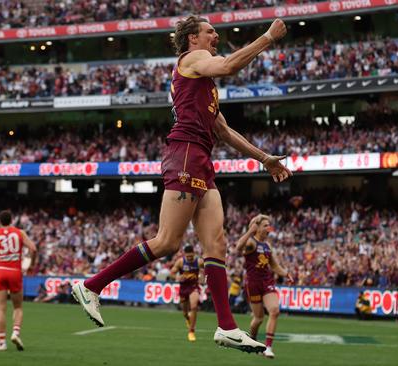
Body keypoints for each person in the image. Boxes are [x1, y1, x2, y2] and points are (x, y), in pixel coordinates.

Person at [71, 15, 290, 353]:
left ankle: (227, 327)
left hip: (202, 158)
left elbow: (224, 131)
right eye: (209, 31)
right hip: (185, 152)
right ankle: (92, 286)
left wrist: (265, 159)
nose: (216, 35)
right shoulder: (194, 60)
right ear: (192, 38)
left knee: (216, 244)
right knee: (167, 242)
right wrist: (267, 38)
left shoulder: (203, 83)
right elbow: (230, 65)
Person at [235, 214, 293, 359]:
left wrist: (286, 274)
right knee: (258, 318)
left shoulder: (267, 246)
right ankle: (252, 340)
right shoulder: (252, 243)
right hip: (253, 283)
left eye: (269, 225)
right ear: (258, 228)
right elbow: (238, 248)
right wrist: (249, 231)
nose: (269, 228)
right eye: (266, 225)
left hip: (267, 282)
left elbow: (274, 265)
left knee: (274, 311)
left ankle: (268, 347)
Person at [0, 210, 37, 351]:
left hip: (1, 271)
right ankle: (15, 332)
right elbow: (33, 248)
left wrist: (0, 258)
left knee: (1, 308)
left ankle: (1, 342)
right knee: (18, 307)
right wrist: (31, 265)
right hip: (15, 271)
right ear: (12, 220)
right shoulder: (20, 233)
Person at [170, 244, 205, 342]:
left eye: (191, 256)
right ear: (184, 255)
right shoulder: (180, 262)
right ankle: (187, 318)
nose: (189, 258)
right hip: (183, 288)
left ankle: (191, 331)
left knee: (194, 307)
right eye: (188, 256)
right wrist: (177, 277)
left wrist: (203, 276)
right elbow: (172, 273)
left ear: (194, 254)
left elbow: (209, 269)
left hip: (194, 287)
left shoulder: (199, 262)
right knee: (185, 312)